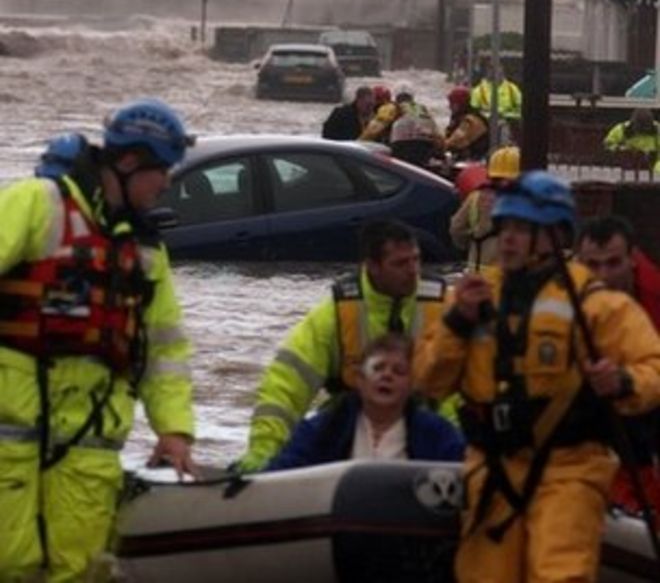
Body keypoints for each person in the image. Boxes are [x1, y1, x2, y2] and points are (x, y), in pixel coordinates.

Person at [414, 171, 660, 583]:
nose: (508, 238)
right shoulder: (472, 297)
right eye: (505, 227)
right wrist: (457, 325)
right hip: (491, 470)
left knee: (559, 572)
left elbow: (653, 366)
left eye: (522, 229)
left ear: (552, 236)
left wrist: (621, 382)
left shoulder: (595, 305)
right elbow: (426, 383)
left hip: (569, 469)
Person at [0, 98, 197, 583]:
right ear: (128, 162)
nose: (167, 182)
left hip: (91, 442)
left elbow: (165, 350)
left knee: (81, 571)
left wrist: (174, 430)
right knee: (11, 562)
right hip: (9, 431)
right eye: (162, 170)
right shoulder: (37, 202)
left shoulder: (146, 252)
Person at [238, 219, 450, 472]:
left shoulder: (445, 306)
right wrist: (262, 454)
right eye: (400, 263)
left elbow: (462, 392)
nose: (413, 270)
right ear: (372, 266)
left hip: (428, 431)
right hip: (350, 428)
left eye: (416, 260)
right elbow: (285, 386)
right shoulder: (336, 314)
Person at [266, 333, 465, 470]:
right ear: (360, 379)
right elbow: (280, 472)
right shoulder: (325, 427)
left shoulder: (438, 433)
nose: (387, 376)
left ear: (413, 384)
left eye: (399, 371)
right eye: (378, 368)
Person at [577, 215, 660, 518]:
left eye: (614, 263)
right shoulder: (564, 300)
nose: (603, 275)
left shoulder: (654, 297)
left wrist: (625, 381)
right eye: (593, 266)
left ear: (632, 259)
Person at [450, 146, 520, 269]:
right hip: (509, 275)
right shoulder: (526, 203)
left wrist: (471, 244)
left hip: (477, 271)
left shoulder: (475, 197)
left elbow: (456, 229)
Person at [389, 91, 444, 167]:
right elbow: (437, 133)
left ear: (397, 100)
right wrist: (441, 151)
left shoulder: (395, 106)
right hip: (425, 146)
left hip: (402, 146)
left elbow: (376, 128)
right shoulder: (422, 108)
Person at [443, 86, 489, 161]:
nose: (450, 107)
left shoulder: (471, 121)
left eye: (452, 103)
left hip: (474, 160)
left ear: (461, 104)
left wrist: (438, 144)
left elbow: (454, 142)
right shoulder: (460, 117)